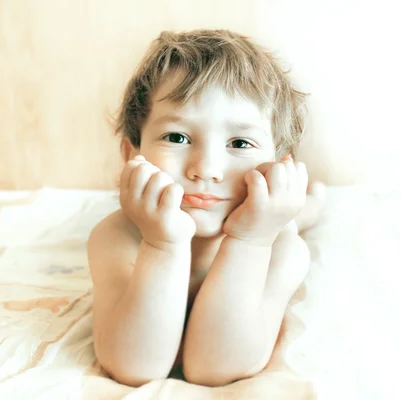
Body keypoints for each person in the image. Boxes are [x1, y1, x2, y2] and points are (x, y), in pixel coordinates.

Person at [87, 29, 326, 387]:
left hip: (269, 224)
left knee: (295, 219)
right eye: (177, 137)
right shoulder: (117, 238)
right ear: (131, 155)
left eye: (240, 142)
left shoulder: (282, 250)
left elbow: (216, 368)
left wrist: (251, 240)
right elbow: (133, 366)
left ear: (278, 167)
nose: (205, 169)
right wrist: (161, 245)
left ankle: (309, 204)